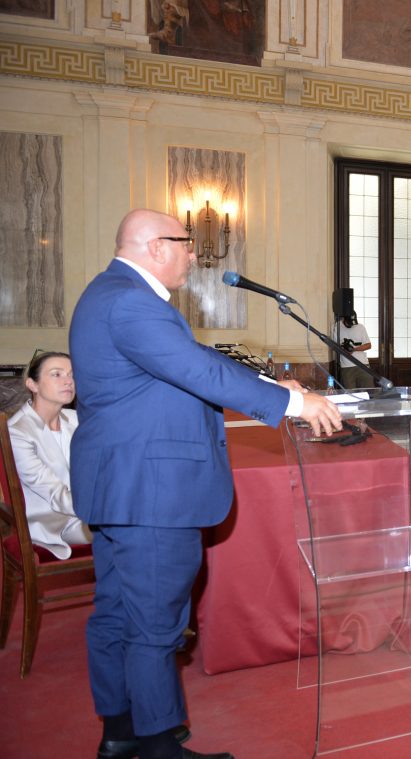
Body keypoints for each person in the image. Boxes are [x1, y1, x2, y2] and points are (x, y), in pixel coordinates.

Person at [69, 209, 342, 759]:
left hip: (124, 487)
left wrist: (272, 384)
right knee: (154, 623)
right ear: (155, 246)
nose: (194, 255)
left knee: (119, 613)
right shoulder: (130, 301)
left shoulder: (110, 293)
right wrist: (294, 403)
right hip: (152, 491)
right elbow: (195, 370)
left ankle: (120, 731)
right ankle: (157, 744)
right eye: (186, 243)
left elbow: (184, 364)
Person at [6, 351, 91, 559]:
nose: (68, 381)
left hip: (83, 511)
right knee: (128, 528)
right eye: (56, 374)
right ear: (32, 385)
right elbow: (54, 493)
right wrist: (102, 508)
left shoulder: (77, 419)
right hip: (51, 522)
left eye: (72, 374)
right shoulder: (17, 432)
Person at [335, 310, 373, 389]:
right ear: (344, 319)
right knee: (350, 393)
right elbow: (335, 346)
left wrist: (354, 349)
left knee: (369, 391)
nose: (351, 325)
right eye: (349, 323)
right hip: (347, 367)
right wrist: (344, 350)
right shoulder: (336, 328)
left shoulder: (360, 327)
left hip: (363, 364)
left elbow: (368, 345)